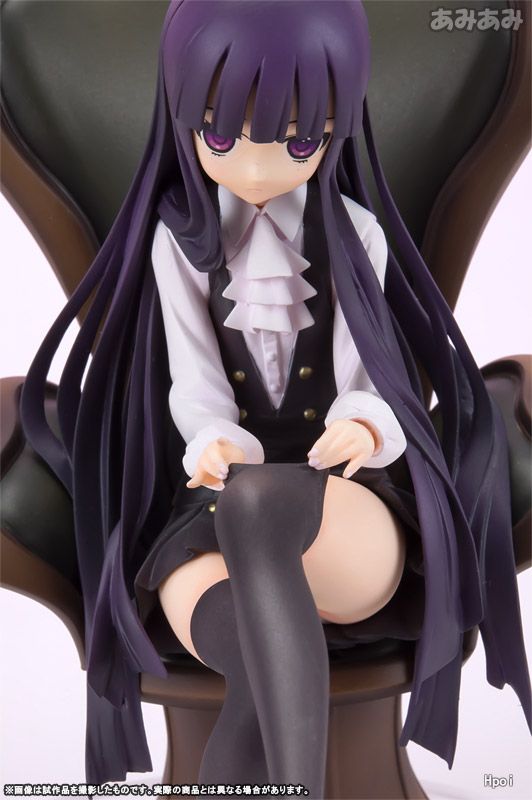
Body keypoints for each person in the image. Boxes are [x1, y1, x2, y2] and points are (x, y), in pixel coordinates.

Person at [19, 0, 531, 792]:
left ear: (335, 128)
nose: (257, 171)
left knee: (260, 501)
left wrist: (364, 426)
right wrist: (210, 439)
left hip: (344, 508)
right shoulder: (178, 245)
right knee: (244, 630)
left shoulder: (355, 235)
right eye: (222, 138)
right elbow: (193, 379)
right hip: (214, 511)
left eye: (297, 142)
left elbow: (371, 375)